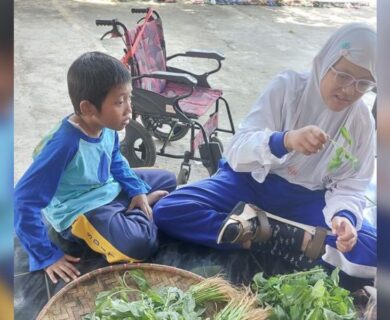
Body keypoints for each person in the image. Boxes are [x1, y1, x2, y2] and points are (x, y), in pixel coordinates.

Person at [153, 23, 377, 281]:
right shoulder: (289, 88)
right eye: (343, 76)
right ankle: (288, 239)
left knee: (376, 248)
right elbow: (238, 149)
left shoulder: (361, 121)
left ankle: (261, 232)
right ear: (326, 61)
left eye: (363, 83)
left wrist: (343, 216)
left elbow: (352, 184)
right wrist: (284, 141)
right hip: (251, 183)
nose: (350, 90)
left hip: (307, 199)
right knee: (172, 209)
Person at [14, 52, 176, 284]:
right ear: (88, 108)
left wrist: (137, 190)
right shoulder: (63, 145)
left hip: (105, 186)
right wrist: (46, 256)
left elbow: (116, 160)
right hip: (82, 207)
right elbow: (22, 199)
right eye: (120, 102)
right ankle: (138, 210)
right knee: (139, 246)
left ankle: (134, 205)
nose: (129, 109)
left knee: (168, 179)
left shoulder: (105, 125)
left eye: (129, 98)